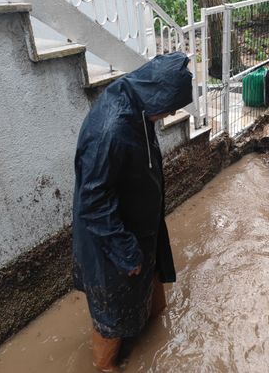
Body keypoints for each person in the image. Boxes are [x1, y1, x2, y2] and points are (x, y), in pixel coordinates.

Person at [72, 52, 193, 372]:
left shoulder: (139, 102)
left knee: (155, 298)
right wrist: (126, 252)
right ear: (159, 97)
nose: (173, 112)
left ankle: (154, 334)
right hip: (113, 238)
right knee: (110, 317)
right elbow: (94, 203)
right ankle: (105, 365)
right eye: (173, 106)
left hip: (142, 224)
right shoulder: (110, 129)